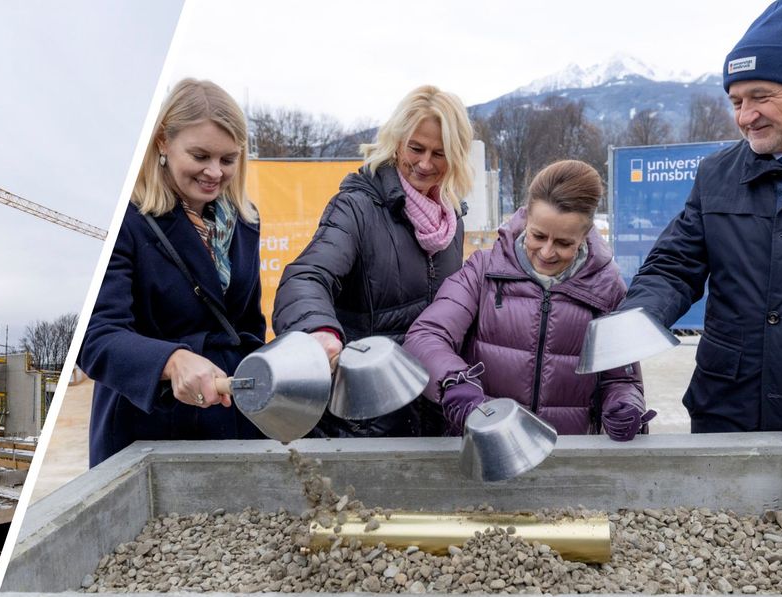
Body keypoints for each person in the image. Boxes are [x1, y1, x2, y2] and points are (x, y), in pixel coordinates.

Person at [619, 0, 782, 452]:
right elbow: (673, 265)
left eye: (761, 96)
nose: (745, 116)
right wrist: (639, 315)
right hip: (730, 417)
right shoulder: (716, 175)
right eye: (736, 101)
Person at [79, 79, 266, 467]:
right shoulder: (127, 220)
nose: (214, 172)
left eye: (228, 159)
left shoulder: (245, 222)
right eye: (200, 156)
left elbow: (249, 324)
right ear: (163, 141)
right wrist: (171, 361)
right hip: (149, 429)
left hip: (233, 424)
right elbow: (95, 337)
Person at [271, 85, 473, 437]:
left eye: (439, 153)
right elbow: (306, 277)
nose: (425, 164)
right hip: (364, 421)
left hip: (430, 419)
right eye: (416, 148)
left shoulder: (451, 222)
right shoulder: (356, 208)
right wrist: (319, 330)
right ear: (396, 142)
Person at [405, 160, 651, 439]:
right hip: (487, 445)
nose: (546, 252)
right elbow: (426, 335)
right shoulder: (484, 270)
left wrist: (624, 406)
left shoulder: (607, 288)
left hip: (568, 452)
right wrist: (454, 382)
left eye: (563, 243)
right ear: (525, 220)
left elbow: (622, 378)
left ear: (584, 236)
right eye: (538, 236)